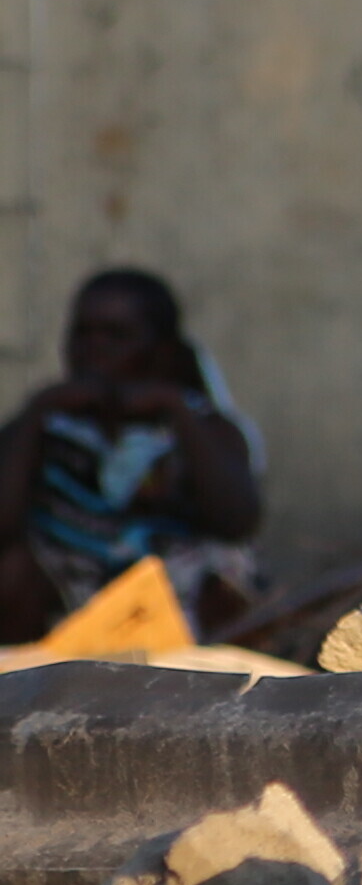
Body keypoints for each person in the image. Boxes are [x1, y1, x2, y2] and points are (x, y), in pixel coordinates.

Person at [0, 268, 263, 637]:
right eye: (83, 334)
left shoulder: (203, 425)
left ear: (163, 350)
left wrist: (175, 409)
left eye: (116, 336)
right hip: (69, 604)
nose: (95, 349)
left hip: (177, 605)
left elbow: (236, 521)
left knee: (225, 583)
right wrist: (36, 413)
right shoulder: (49, 425)